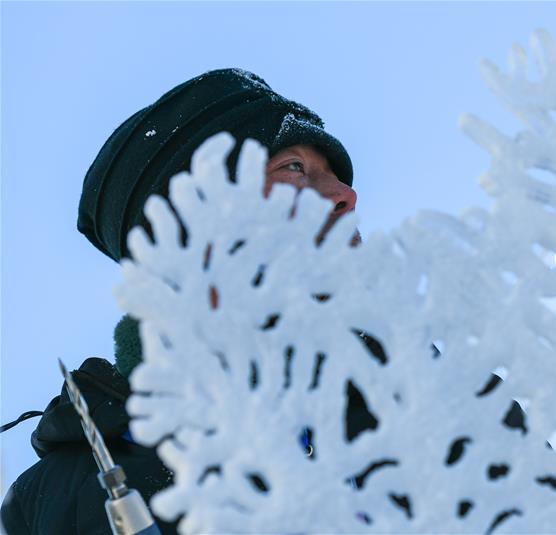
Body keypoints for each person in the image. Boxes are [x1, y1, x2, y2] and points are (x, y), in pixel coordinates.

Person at [0, 68, 364, 535]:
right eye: (292, 168)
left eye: (334, 175)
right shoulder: (54, 501)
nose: (344, 195)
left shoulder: (439, 408)